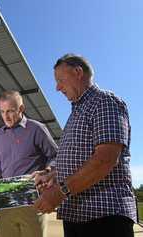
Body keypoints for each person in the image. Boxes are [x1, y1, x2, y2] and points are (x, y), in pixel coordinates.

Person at [34, 53, 137, 237]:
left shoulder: (104, 102)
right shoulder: (77, 112)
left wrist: (60, 191)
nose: (57, 87)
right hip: (77, 216)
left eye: (60, 80)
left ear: (78, 72)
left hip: (104, 218)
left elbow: (105, 160)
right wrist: (55, 175)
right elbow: (82, 158)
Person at [0, 90, 58, 237]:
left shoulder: (36, 129)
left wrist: (47, 171)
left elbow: (56, 156)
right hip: (6, 200)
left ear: (21, 109)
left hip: (32, 200)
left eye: (10, 111)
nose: (6, 116)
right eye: (2, 111)